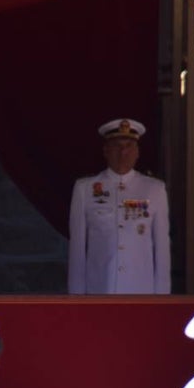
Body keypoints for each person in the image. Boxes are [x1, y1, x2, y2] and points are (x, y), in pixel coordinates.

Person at [68, 118, 171, 295]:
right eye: (117, 146)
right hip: (99, 290)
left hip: (141, 292)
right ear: (106, 150)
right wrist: (77, 298)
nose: (123, 152)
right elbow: (77, 250)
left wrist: (162, 298)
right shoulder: (85, 189)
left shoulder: (154, 189)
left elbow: (162, 249)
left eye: (129, 146)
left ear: (137, 152)